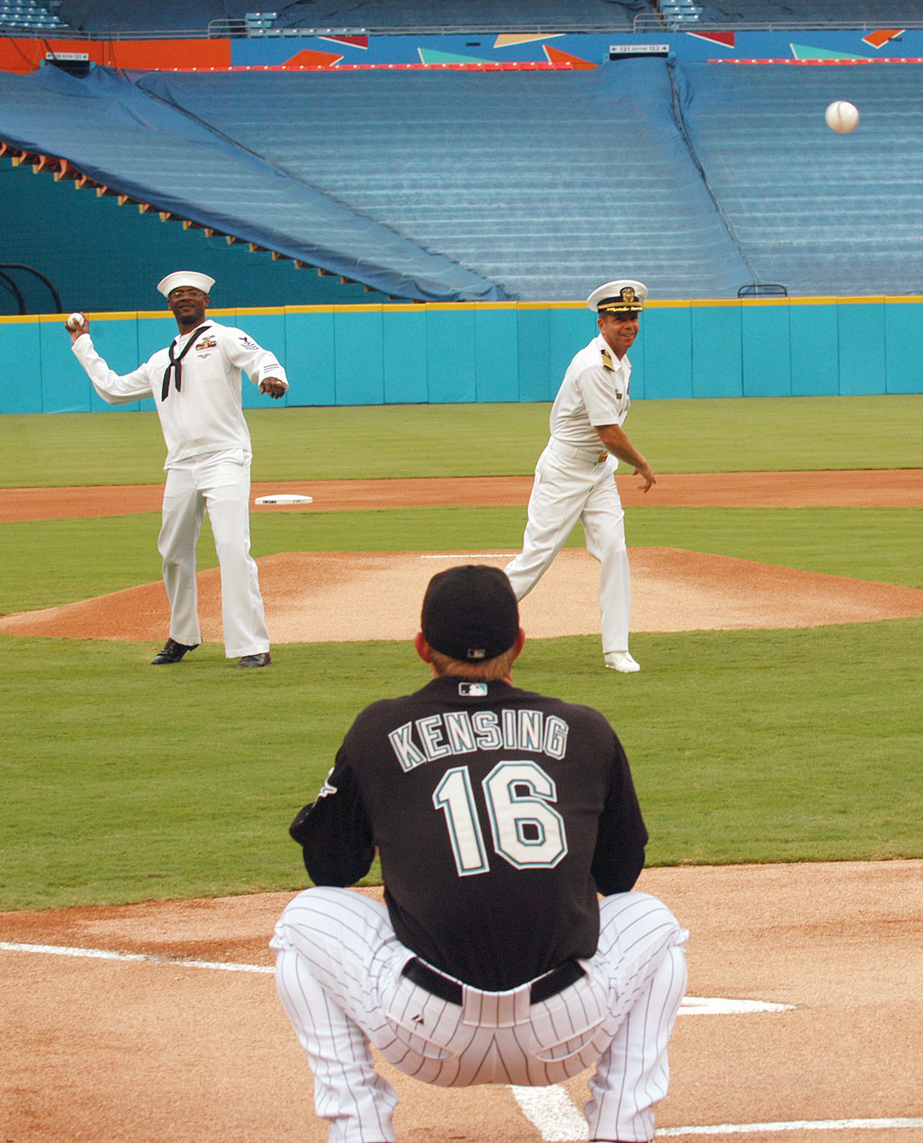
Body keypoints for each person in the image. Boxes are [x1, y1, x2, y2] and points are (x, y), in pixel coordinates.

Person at [273, 564, 687, 1143]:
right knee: (655, 925)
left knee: (303, 921)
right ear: (519, 643)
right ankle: (622, 1128)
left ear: (422, 648)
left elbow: (330, 871)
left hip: (423, 1031)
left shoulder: (378, 727)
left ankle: (359, 1130)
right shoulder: (585, 729)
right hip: (565, 1029)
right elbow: (621, 876)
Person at [66, 271, 285, 668]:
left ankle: (252, 645)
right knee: (172, 553)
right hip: (181, 464)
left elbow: (259, 357)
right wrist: (82, 344)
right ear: (169, 304)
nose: (186, 298)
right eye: (178, 294)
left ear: (206, 302)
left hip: (225, 457)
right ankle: (182, 636)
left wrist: (271, 376)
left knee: (233, 548)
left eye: (194, 294)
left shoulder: (224, 337)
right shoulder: (159, 359)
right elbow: (113, 390)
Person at [505, 280, 656, 674]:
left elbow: (606, 438)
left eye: (633, 316)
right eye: (620, 317)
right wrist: (640, 463)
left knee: (614, 550)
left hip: (599, 471)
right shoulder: (593, 365)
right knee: (536, 557)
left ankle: (616, 650)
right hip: (566, 471)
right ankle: (468, 623)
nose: (629, 324)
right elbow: (608, 430)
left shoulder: (620, 362)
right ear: (602, 322)